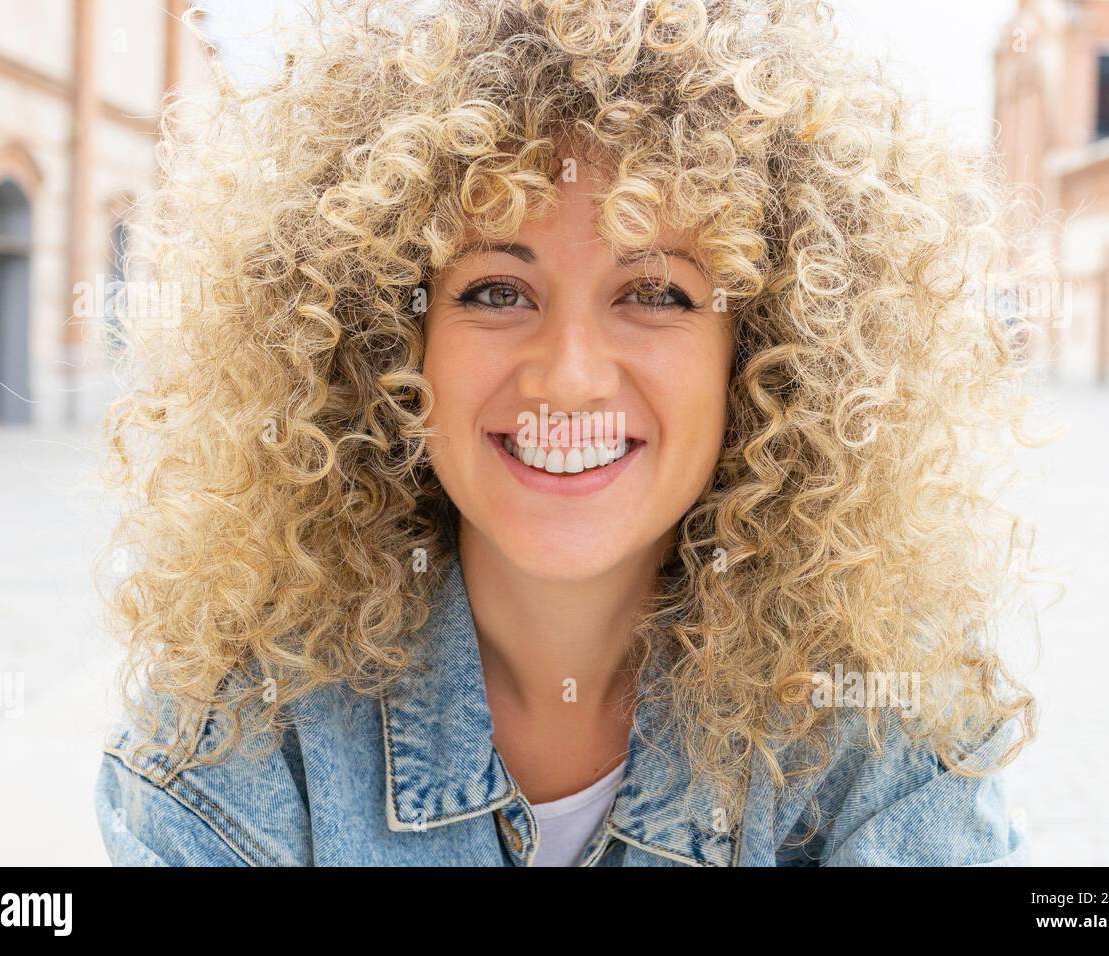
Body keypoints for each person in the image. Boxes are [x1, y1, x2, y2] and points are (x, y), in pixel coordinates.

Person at [94, 0, 1041, 866]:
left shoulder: (877, 719)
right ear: (385, 343)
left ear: (764, 356)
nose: (571, 375)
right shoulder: (241, 723)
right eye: (496, 291)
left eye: (656, 293)